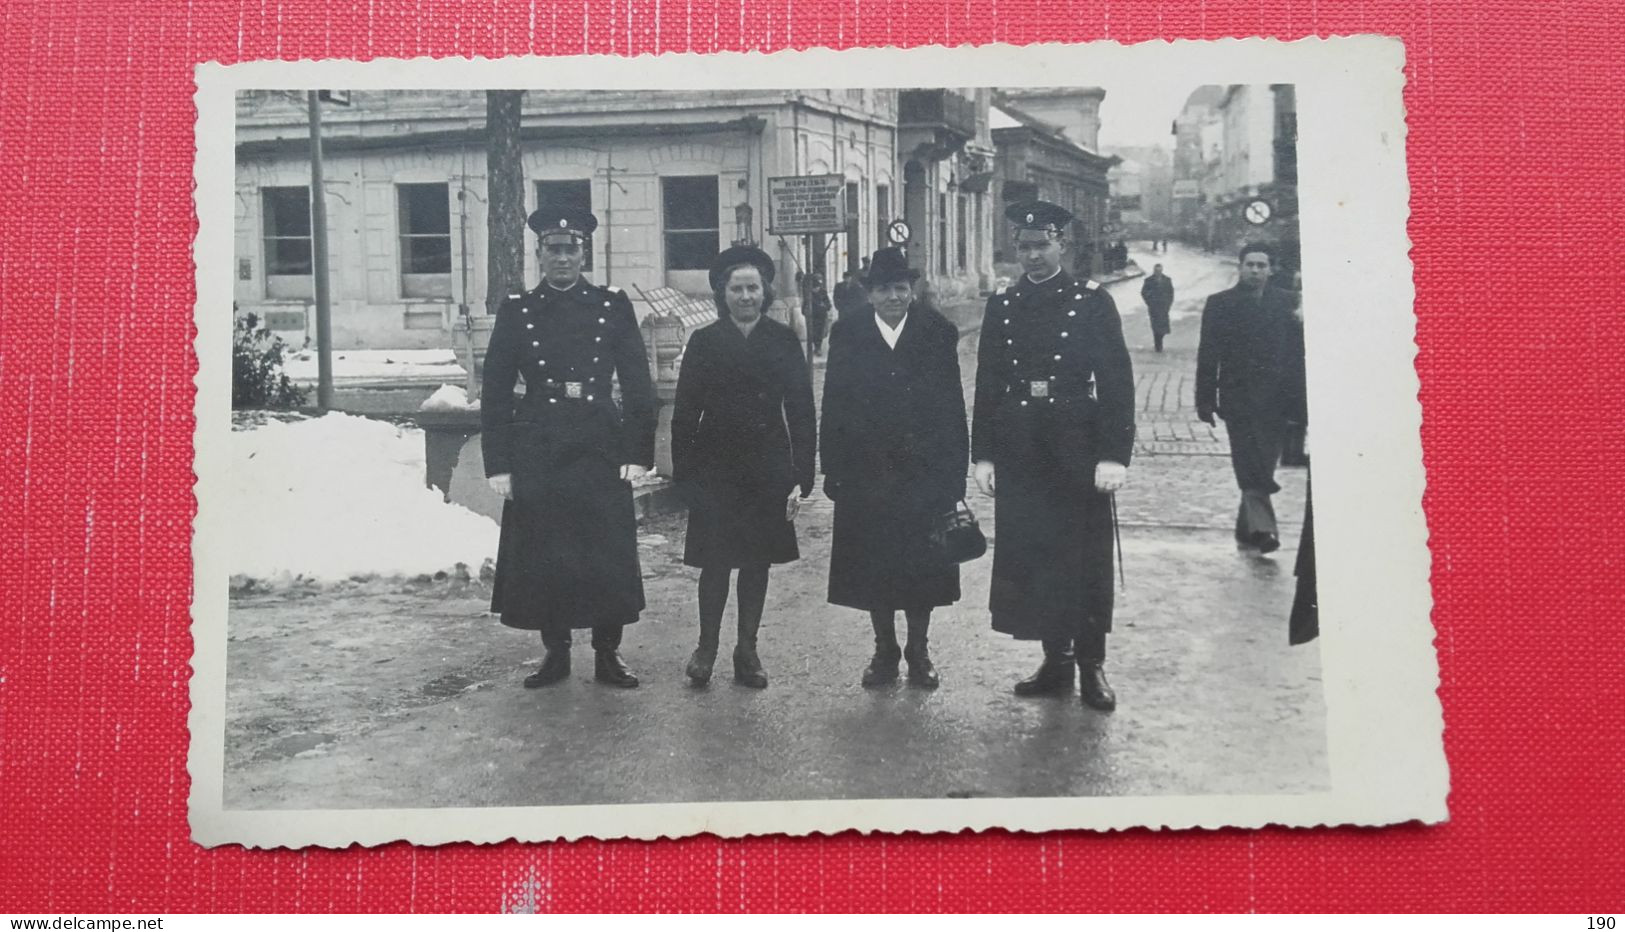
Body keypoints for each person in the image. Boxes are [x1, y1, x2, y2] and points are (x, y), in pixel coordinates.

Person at [481, 205, 656, 690]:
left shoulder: (611, 305)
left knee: (606, 550)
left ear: (585, 253)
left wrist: (637, 451)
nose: (562, 257)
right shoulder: (518, 310)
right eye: (553, 249)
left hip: (599, 440)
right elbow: (494, 388)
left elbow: (639, 383)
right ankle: (555, 654)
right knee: (544, 551)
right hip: (539, 442)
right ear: (538, 254)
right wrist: (499, 463)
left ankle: (608, 655)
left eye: (571, 248)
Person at [971, 201, 1135, 712]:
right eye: (1024, 247)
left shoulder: (1090, 301)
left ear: (1062, 244)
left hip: (1076, 446)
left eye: (1042, 245)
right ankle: (1055, 661)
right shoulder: (1002, 306)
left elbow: (1116, 382)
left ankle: (1092, 666)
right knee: (1035, 557)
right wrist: (985, 455)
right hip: (1021, 445)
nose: (1033, 256)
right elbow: (988, 383)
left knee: (1083, 560)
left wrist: (1113, 454)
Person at [821, 247, 969, 688]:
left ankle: (918, 651)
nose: (893, 297)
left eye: (901, 288)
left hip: (923, 474)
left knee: (923, 565)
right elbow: (833, 404)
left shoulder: (936, 332)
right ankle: (884, 649)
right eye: (884, 289)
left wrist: (954, 474)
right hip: (866, 474)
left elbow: (952, 407)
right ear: (870, 293)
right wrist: (833, 467)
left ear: (913, 289)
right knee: (874, 565)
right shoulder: (847, 334)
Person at [671, 245, 817, 689]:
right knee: (715, 564)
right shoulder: (704, 342)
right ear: (723, 293)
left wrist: (801, 474)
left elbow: (801, 409)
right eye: (737, 288)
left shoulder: (782, 340)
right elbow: (684, 414)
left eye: (753, 287)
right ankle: (706, 648)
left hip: (767, 469)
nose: (746, 296)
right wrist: (686, 476)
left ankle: (747, 652)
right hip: (715, 469)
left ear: (765, 291)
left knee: (757, 564)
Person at [1195, 242, 1307, 554]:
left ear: (1271, 269)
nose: (1255, 271)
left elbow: (1298, 357)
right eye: (1250, 265)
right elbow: (1208, 355)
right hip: (1237, 399)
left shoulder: (1288, 303)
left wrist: (1301, 404)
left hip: (1277, 400)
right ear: (1240, 267)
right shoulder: (1220, 303)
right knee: (1249, 463)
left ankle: (1247, 527)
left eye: (1261, 265)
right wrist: (1205, 399)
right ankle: (1264, 529)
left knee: (1264, 465)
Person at [1140, 262, 1175, 352]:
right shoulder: (1148, 280)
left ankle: (1160, 340)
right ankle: (1158, 345)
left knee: (1163, 326)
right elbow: (1143, 292)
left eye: (1159, 270)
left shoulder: (1167, 280)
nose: (1158, 272)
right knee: (1155, 326)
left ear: (1161, 271)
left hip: (1164, 307)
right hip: (1154, 307)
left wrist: (1168, 304)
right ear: (1154, 271)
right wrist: (1149, 302)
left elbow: (1171, 293)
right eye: (1156, 271)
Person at [804, 270, 832, 356]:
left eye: (818, 286)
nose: (816, 288)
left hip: (821, 315)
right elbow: (805, 303)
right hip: (812, 315)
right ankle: (816, 347)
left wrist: (825, 306)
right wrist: (804, 311)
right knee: (812, 332)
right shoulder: (808, 293)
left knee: (820, 332)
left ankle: (818, 348)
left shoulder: (823, 292)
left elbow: (828, 304)